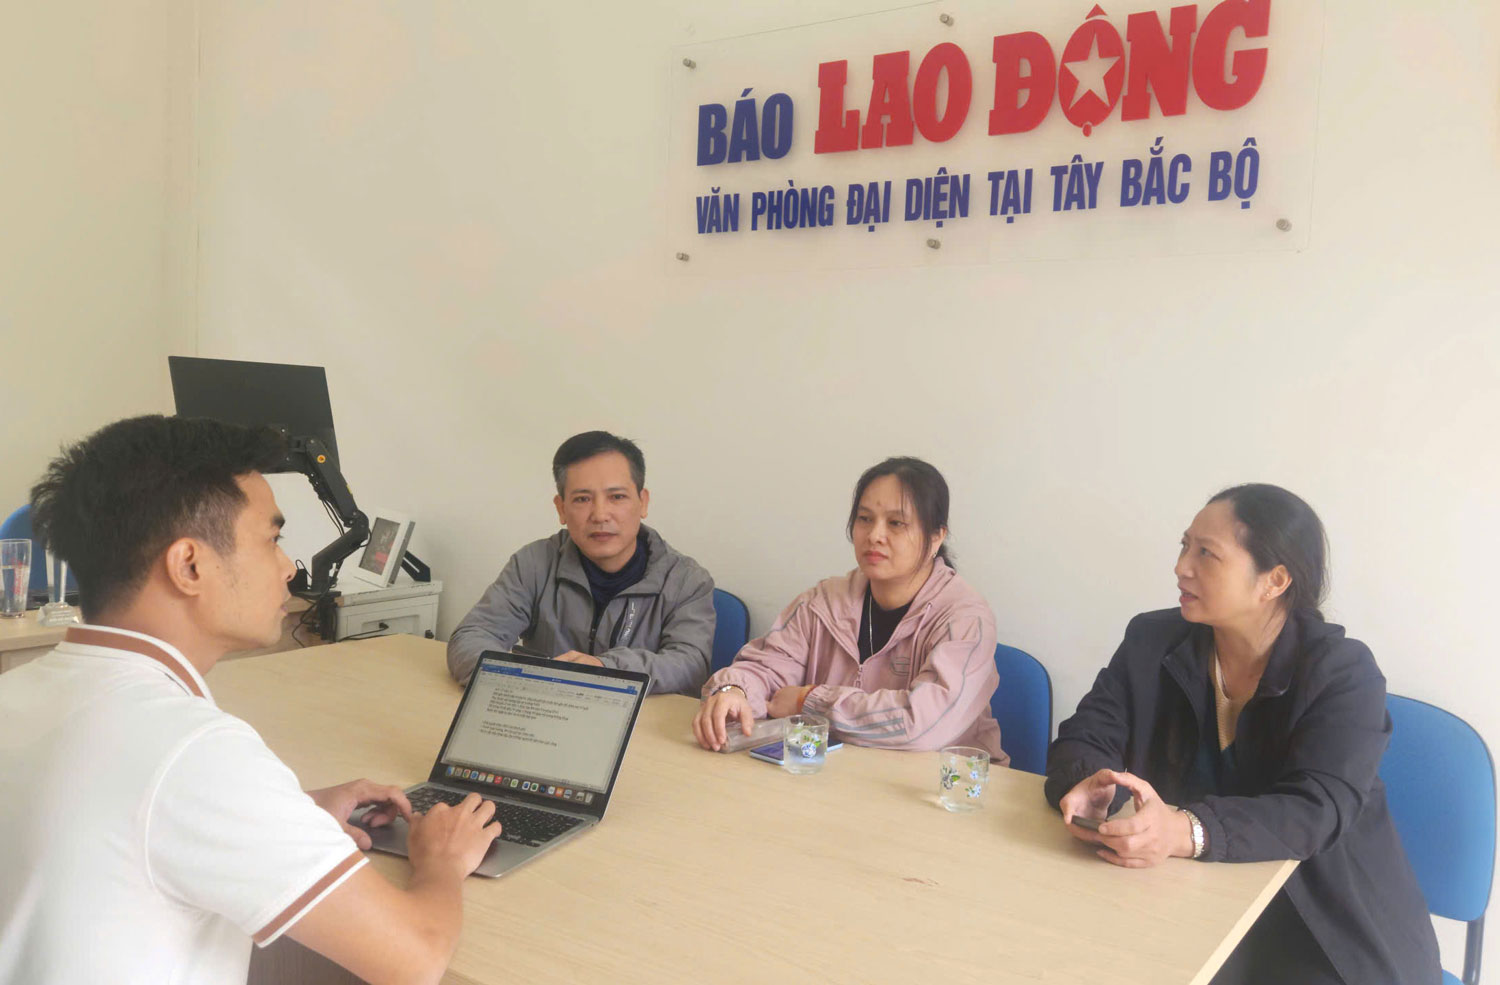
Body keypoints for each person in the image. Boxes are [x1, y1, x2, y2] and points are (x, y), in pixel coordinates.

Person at [0, 415, 501, 985]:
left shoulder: (17, 694)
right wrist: (441, 862)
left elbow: (115, 822)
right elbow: (414, 959)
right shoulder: (194, 750)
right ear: (190, 565)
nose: (289, 567)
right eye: (273, 539)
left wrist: (287, 813)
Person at [1045, 484, 1440, 985]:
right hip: (1190, 899)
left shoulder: (1342, 672)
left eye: (1206, 553)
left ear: (1273, 581)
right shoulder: (1152, 639)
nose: (1181, 567)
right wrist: (1088, 781)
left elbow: (1315, 809)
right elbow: (1089, 731)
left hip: (1320, 921)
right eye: (1184, 546)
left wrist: (1184, 829)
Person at [693, 457, 1005, 763]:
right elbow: (768, 668)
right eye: (865, 519)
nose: (874, 535)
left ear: (936, 537)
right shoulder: (824, 601)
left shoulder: (964, 620)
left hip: (938, 791)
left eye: (896, 523)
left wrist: (808, 701)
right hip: (837, 776)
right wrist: (734, 691)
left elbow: (920, 725)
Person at [447, 430, 715, 695]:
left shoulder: (686, 580)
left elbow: (690, 665)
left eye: (617, 497)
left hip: (639, 727)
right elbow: (472, 636)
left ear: (643, 502)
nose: (600, 514)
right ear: (561, 508)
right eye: (582, 499)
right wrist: (525, 682)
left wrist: (604, 668)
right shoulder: (533, 564)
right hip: (543, 715)